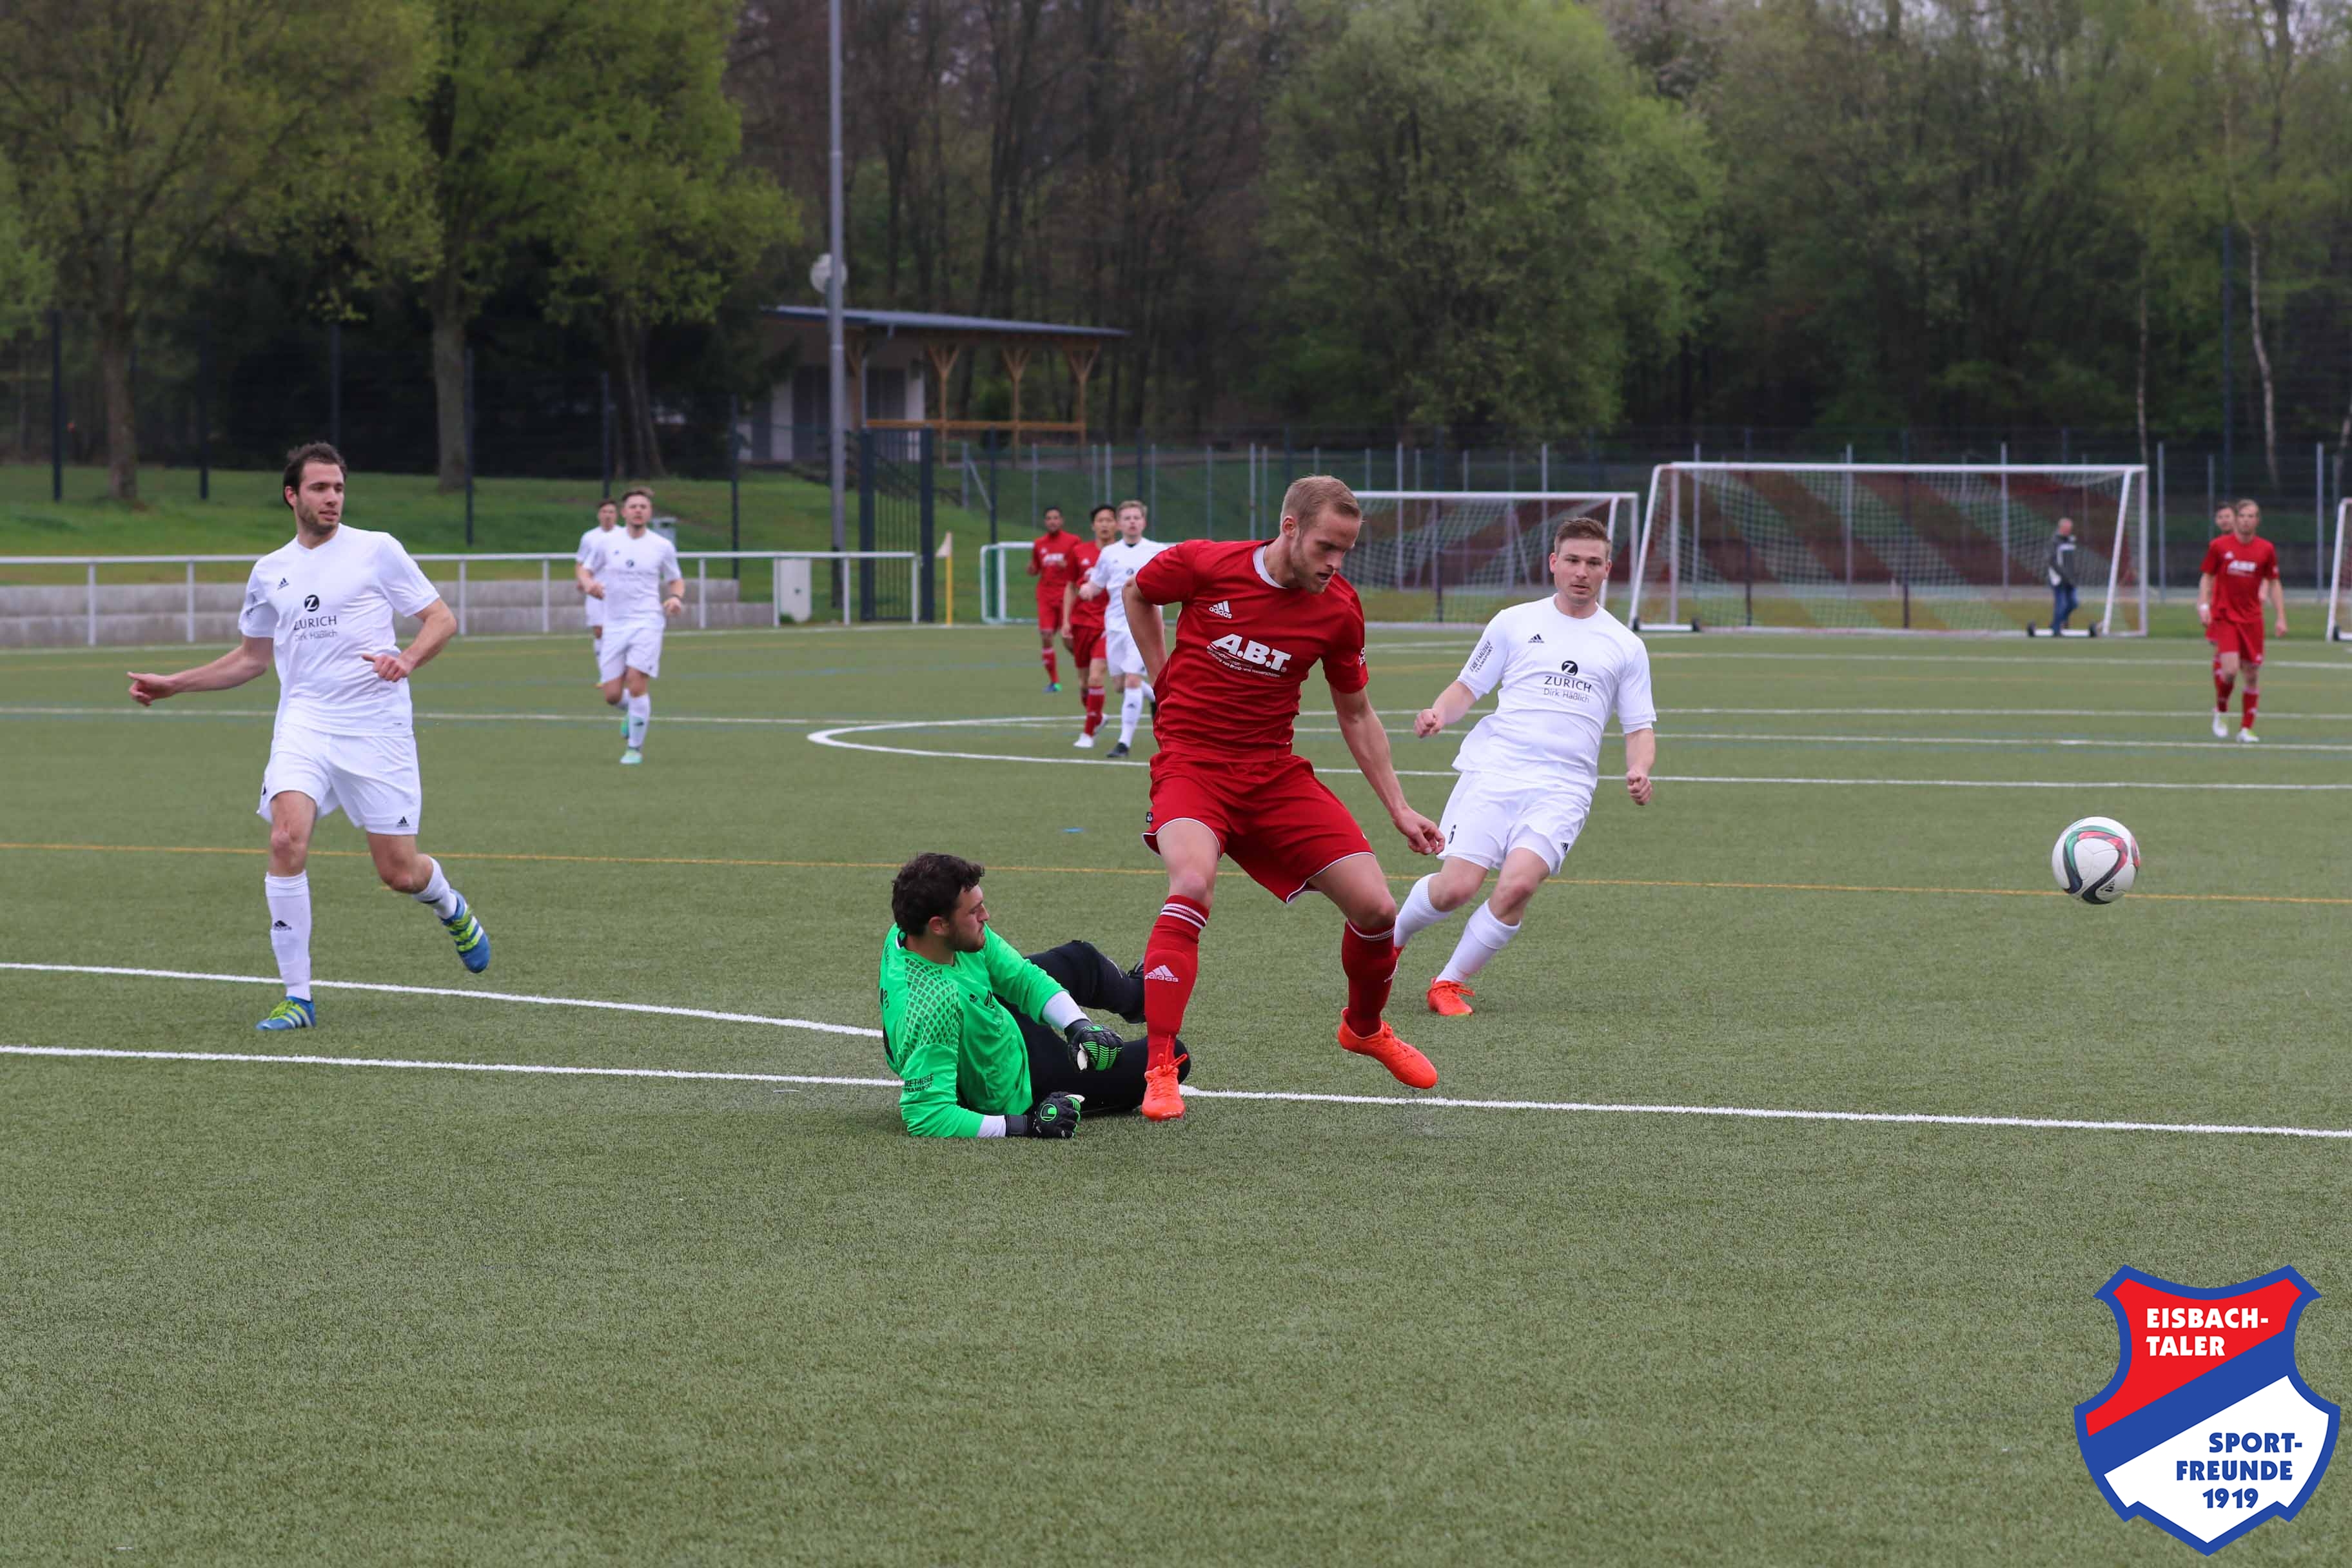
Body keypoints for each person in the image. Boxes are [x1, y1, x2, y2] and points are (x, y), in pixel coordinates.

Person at [126, 442, 490, 1030]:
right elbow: (251, 658)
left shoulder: (377, 550)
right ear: (292, 495)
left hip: (376, 728)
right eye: (320, 488)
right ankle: (298, 997)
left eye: (339, 488)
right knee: (285, 840)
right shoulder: (270, 571)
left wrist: (407, 659)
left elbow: (441, 619)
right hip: (305, 723)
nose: (332, 498)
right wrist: (176, 683)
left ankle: (448, 904)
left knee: (399, 873)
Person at [1124, 474, 1447, 1122]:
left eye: (1346, 551)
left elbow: (1356, 713)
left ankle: (1364, 1027)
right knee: (1192, 883)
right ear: (1290, 527)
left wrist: (1399, 807)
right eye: (1327, 546)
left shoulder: (1339, 608)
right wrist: (1163, 676)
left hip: (1274, 775)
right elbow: (1138, 592)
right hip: (1192, 766)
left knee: (1378, 907)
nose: (1336, 563)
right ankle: (1159, 1066)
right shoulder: (1203, 564)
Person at [1397, 518, 1656, 1016]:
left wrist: (1640, 768)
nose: (1582, 572)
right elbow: (1467, 687)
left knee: (1518, 885)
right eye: (1573, 560)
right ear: (1554, 563)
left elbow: (1639, 727)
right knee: (1454, 889)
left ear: (1608, 570)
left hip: (1564, 788)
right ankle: (1389, 942)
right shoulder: (1513, 622)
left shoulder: (1625, 645)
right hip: (1496, 770)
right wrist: (1438, 713)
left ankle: (1448, 983)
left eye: (1594, 563)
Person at [877, 852, 1194, 1138]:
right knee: (1172, 1057)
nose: (986, 915)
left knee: (1081, 960)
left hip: (990, 1019)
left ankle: (1139, 999)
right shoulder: (933, 1003)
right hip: (1016, 1084)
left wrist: (1077, 1025)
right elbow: (929, 1116)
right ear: (939, 925)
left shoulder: (914, 933)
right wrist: (1026, 1124)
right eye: (974, 912)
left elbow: (1022, 978)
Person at [585, 489, 683, 765]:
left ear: (649, 512)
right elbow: (585, 569)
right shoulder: (607, 543)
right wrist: (589, 584)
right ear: (624, 512)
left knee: (637, 679)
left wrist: (676, 597)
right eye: (633, 506)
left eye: (643, 506)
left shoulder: (662, 546)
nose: (638, 510)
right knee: (612, 695)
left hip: (648, 621)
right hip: (615, 623)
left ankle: (634, 749)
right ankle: (634, 712)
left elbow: (676, 579)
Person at [1086, 500, 1171, 759]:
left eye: (1136, 517)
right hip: (1115, 627)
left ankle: (1123, 743)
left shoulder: (1158, 551)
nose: (1132, 522)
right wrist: (1087, 590)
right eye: (1127, 518)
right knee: (1121, 685)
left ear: (1144, 522)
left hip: (1144, 625)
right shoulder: (1109, 553)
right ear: (1119, 524)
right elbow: (1097, 584)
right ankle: (1154, 695)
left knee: (1133, 679)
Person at [2200, 498, 2286, 741]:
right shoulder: (2219, 546)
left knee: (2251, 675)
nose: (2247, 520)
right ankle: (2221, 710)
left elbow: (2274, 582)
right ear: (2236, 519)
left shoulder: (2266, 549)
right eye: (2243, 516)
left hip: (2252, 620)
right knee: (2229, 671)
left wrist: (2281, 617)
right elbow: (2207, 577)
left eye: (2252, 516)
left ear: (2258, 521)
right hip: (2226, 617)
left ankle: (2246, 729)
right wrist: (2204, 605)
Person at [1063, 504, 1115, 747]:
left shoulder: (1122, 554)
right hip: (1081, 623)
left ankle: (1087, 735)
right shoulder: (1079, 552)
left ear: (1116, 525)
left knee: (1096, 677)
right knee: (1084, 684)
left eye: (1109, 520)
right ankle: (1098, 717)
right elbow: (1070, 587)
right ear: (1093, 525)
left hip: (1109, 624)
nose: (1105, 524)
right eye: (1100, 520)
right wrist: (1065, 621)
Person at [574, 498, 625, 734]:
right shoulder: (589, 537)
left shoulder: (623, 535)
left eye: (611, 512)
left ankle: (617, 673)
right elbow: (580, 563)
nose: (608, 515)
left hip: (617, 593)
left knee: (616, 632)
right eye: (604, 511)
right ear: (599, 515)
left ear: (617, 514)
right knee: (599, 631)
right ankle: (606, 675)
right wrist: (583, 581)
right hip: (595, 592)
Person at [1025, 506, 1081, 692]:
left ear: (1061, 521)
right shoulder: (1039, 544)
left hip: (1066, 596)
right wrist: (1031, 570)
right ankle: (1054, 682)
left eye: (1056, 518)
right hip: (1046, 596)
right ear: (1045, 522)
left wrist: (1068, 565)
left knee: (1068, 640)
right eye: (1049, 518)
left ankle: (1086, 666)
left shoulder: (1073, 541)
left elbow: (1081, 566)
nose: (1052, 521)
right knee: (1046, 635)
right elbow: (1036, 568)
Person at [2045, 516, 2079, 634]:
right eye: (2067, 528)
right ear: (2062, 528)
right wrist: (2063, 574)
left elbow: (2072, 560)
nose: (2069, 530)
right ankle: (2056, 629)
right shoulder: (2054, 541)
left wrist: (2074, 575)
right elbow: (2051, 560)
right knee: (2061, 604)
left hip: (2071, 579)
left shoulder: (2071, 540)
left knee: (2073, 603)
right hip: (2058, 579)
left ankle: (2058, 622)